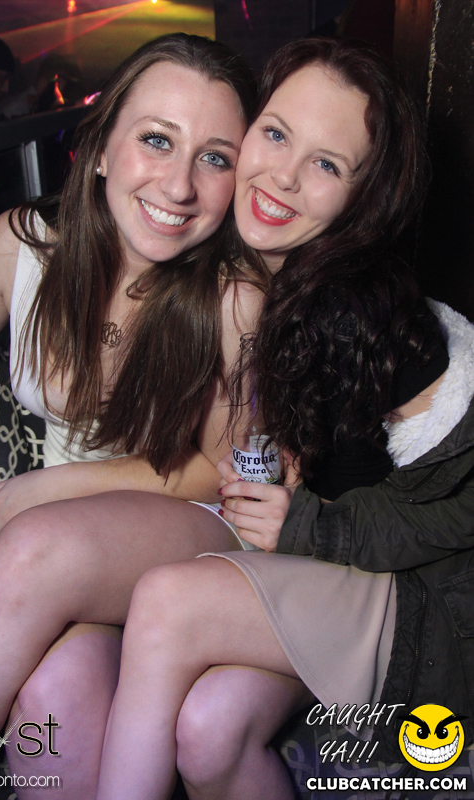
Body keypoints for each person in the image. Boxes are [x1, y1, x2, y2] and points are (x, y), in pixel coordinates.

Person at [92, 38, 473, 800]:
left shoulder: (359, 311)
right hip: (342, 574)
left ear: (364, 199)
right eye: (274, 134)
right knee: (210, 727)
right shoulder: (259, 276)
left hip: (430, 608)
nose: (283, 176)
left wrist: (311, 525)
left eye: (325, 164)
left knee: (166, 603)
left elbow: (458, 512)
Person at [0, 33, 264, 799]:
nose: (179, 186)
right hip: (75, 554)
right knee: (55, 697)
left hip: (197, 526)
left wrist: (53, 489)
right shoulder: (21, 250)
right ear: (98, 148)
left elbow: (224, 471)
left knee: (33, 546)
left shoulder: (234, 298)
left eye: (214, 158)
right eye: (156, 139)